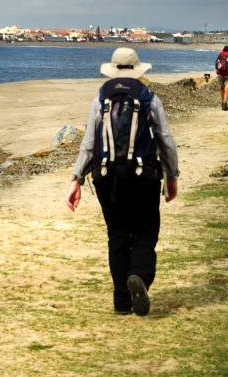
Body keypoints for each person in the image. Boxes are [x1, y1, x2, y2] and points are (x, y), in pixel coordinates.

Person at [66, 48, 179, 317]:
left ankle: (121, 302)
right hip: (143, 178)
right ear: (138, 70)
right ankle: (138, 275)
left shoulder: (100, 100)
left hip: (106, 178)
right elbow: (165, 140)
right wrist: (171, 175)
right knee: (145, 232)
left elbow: (89, 144)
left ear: (113, 70)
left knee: (117, 236)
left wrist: (76, 179)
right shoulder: (149, 98)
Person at [215, 45, 228, 111]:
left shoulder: (219, 56)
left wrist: (219, 73)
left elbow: (216, 65)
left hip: (220, 75)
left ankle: (222, 102)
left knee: (222, 88)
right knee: (227, 88)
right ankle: (225, 103)